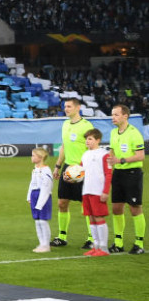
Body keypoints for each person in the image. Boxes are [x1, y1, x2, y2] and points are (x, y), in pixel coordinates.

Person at [50, 97, 94, 248]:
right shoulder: (65, 124)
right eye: (65, 106)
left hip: (83, 169)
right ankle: (62, 236)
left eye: (69, 106)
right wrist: (57, 166)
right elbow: (64, 146)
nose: (66, 109)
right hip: (67, 168)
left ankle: (91, 238)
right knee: (62, 202)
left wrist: (87, 168)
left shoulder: (86, 126)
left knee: (86, 205)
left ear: (78, 108)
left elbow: (92, 148)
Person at [106, 104, 144, 254]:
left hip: (132, 173)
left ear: (125, 116)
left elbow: (140, 155)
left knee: (135, 208)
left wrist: (121, 160)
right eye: (112, 114)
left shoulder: (134, 133)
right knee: (116, 208)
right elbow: (112, 152)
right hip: (118, 174)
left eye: (116, 114)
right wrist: (111, 161)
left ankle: (139, 243)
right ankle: (118, 242)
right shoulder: (113, 133)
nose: (113, 117)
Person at [80, 129, 112, 257]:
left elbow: (108, 174)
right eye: (86, 139)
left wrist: (105, 191)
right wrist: (70, 176)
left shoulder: (104, 154)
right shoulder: (85, 155)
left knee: (99, 217)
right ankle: (96, 246)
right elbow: (81, 172)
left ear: (98, 140)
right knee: (91, 218)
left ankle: (104, 248)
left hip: (97, 191)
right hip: (86, 190)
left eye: (90, 139)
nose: (87, 141)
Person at [27, 148, 54, 253]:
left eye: (33, 155)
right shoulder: (35, 169)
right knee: (37, 221)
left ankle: (46, 245)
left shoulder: (46, 170)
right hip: (34, 195)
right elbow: (32, 183)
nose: (31, 157)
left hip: (43, 197)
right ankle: (41, 243)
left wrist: (40, 202)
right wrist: (29, 196)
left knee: (43, 221)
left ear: (40, 157)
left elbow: (46, 187)